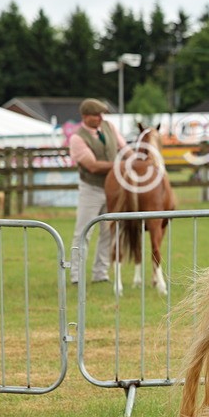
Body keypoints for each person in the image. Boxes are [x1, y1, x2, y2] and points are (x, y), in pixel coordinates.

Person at [68, 98, 126, 285]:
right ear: (85, 117)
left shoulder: (109, 127)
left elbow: (124, 148)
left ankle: (100, 273)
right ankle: (76, 274)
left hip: (112, 190)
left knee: (109, 232)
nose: (100, 118)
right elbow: (92, 166)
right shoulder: (77, 138)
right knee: (83, 231)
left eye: (102, 114)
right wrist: (122, 165)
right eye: (96, 115)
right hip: (91, 189)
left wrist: (136, 160)